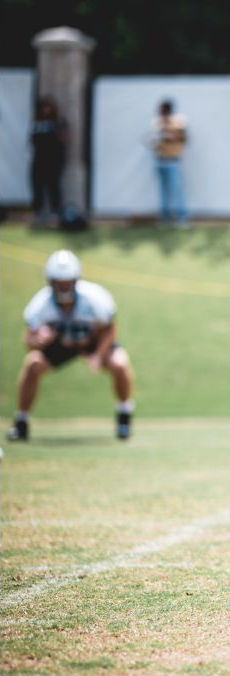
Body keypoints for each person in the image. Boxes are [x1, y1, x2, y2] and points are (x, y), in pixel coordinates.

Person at [6, 250, 136, 442]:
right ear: (51, 281)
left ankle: (124, 418)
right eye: (59, 281)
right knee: (32, 363)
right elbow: (29, 342)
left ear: (76, 280)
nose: (64, 286)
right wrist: (39, 341)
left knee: (120, 363)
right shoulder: (41, 304)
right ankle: (21, 423)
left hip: (92, 342)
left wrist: (99, 355)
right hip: (60, 346)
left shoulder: (94, 297)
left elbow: (109, 328)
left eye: (68, 281)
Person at [29, 96, 68, 227]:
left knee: (53, 186)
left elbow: (64, 139)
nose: (46, 110)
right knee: (37, 185)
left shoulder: (58, 122)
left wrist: (57, 130)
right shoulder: (37, 124)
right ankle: (38, 213)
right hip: (39, 159)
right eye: (43, 107)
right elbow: (31, 141)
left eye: (48, 107)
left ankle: (54, 214)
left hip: (54, 161)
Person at [150, 99, 189, 228]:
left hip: (173, 161)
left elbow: (184, 138)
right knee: (163, 192)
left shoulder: (178, 121)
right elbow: (153, 140)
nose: (160, 112)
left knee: (177, 191)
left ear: (168, 109)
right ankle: (164, 218)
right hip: (160, 160)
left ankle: (182, 218)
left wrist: (171, 136)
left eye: (162, 109)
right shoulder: (157, 122)